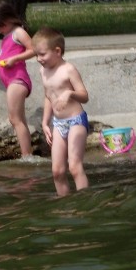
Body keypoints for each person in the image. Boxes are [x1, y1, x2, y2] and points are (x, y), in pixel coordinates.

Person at [33, 26, 89, 196]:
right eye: (36, 54)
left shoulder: (68, 69)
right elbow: (48, 95)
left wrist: (69, 93)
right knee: (57, 171)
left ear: (57, 51)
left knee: (74, 166)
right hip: (58, 123)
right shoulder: (43, 70)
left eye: (42, 54)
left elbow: (85, 96)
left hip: (76, 121)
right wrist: (45, 121)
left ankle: (85, 202)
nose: (38, 59)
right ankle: (66, 205)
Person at [0, 0, 34, 158]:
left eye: (0, 25)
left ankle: (26, 155)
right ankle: (28, 153)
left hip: (18, 80)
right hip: (11, 81)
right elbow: (7, 56)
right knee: (19, 119)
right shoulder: (7, 35)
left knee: (15, 119)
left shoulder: (18, 32)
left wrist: (15, 59)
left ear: (8, 19)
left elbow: (33, 49)